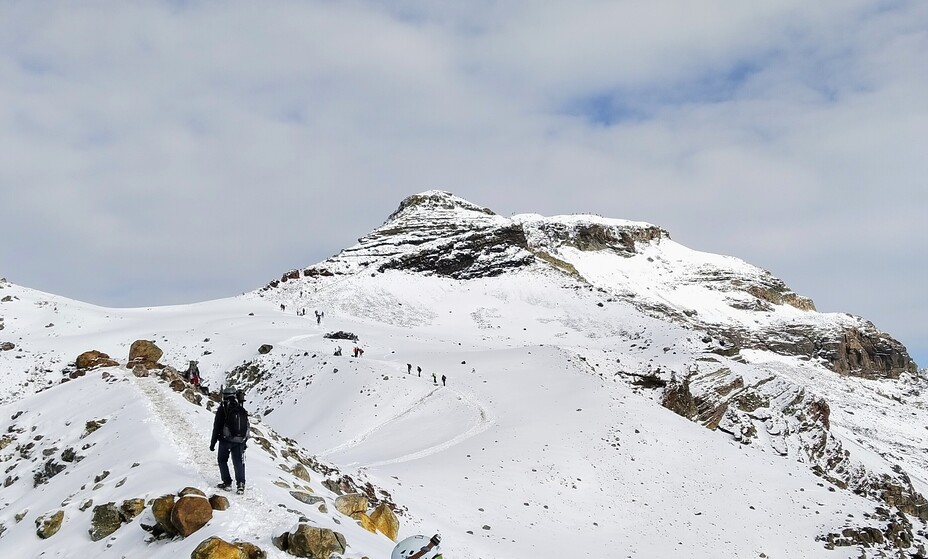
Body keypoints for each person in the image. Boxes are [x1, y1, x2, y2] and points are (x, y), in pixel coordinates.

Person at [210, 386, 249, 494]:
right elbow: (245, 426)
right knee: (238, 462)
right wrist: (244, 442)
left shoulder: (223, 408)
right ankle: (241, 484)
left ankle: (227, 483)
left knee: (222, 460)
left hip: (225, 440)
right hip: (240, 441)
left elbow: (216, 426)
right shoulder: (240, 408)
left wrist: (213, 443)